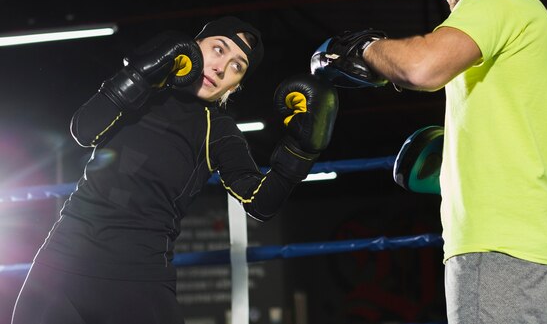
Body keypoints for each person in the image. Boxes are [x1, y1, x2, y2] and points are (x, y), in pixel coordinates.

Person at [314, 0, 547, 324]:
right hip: (545, 250)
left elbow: (423, 68)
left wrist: (365, 49)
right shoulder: (544, 32)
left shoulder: (493, 1)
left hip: (496, 249)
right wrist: (458, 166)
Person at [12, 16, 338, 324]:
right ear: (192, 47)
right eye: (218, 49)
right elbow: (84, 131)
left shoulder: (219, 130)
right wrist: (137, 75)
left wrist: (301, 150)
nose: (221, 68)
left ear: (235, 85)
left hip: (138, 277)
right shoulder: (142, 91)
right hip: (61, 262)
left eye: (236, 67)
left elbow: (261, 203)